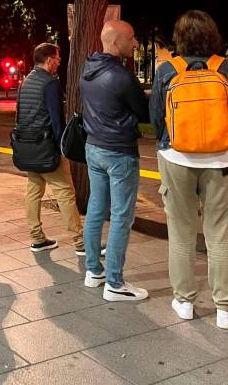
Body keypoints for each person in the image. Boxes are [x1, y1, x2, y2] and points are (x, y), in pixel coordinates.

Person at [150, 10, 228, 329]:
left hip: (176, 158)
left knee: (180, 231)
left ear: (179, 38)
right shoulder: (227, 67)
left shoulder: (168, 70)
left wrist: (166, 143)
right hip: (221, 159)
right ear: (213, 35)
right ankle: (224, 308)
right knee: (219, 232)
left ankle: (184, 302)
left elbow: (155, 118)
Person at [80, 21, 150, 302]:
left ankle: (93, 271)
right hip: (120, 152)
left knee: (96, 209)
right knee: (122, 216)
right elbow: (144, 113)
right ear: (115, 42)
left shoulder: (88, 70)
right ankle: (115, 283)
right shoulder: (121, 76)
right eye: (131, 38)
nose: (135, 43)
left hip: (94, 148)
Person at [15, 43, 85, 255]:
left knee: (33, 191)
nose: (59, 62)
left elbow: (21, 115)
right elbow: (56, 120)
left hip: (28, 147)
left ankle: (37, 238)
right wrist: (63, 146)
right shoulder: (50, 83)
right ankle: (80, 243)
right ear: (48, 60)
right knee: (65, 192)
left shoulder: (25, 82)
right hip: (48, 149)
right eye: (57, 59)